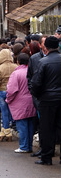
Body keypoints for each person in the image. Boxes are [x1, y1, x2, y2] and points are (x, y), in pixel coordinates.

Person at [31, 36, 61, 165]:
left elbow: (36, 83)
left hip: (47, 100)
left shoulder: (43, 62)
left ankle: (47, 157)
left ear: (46, 47)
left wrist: (38, 96)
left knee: (47, 129)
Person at [6, 53, 36, 153]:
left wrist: (8, 100)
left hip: (19, 103)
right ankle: (29, 146)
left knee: (22, 125)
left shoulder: (16, 74)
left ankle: (23, 146)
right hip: (31, 101)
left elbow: (11, 90)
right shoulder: (31, 72)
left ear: (17, 61)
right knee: (30, 125)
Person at [0, 48, 17, 141]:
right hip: (13, 92)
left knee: (4, 112)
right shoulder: (15, 66)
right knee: (12, 111)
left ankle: (6, 131)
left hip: (2, 91)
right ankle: (8, 130)